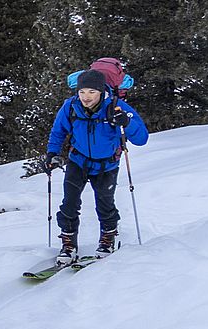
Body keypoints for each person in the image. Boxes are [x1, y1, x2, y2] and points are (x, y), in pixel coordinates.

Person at [44, 68, 148, 265]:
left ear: (101, 91)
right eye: (82, 92)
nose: (86, 97)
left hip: (106, 165)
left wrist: (126, 122)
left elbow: (142, 138)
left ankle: (107, 240)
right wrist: (52, 153)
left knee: (105, 204)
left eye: (91, 92)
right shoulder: (71, 106)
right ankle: (68, 244)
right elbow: (58, 131)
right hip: (78, 161)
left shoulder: (117, 107)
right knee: (69, 204)